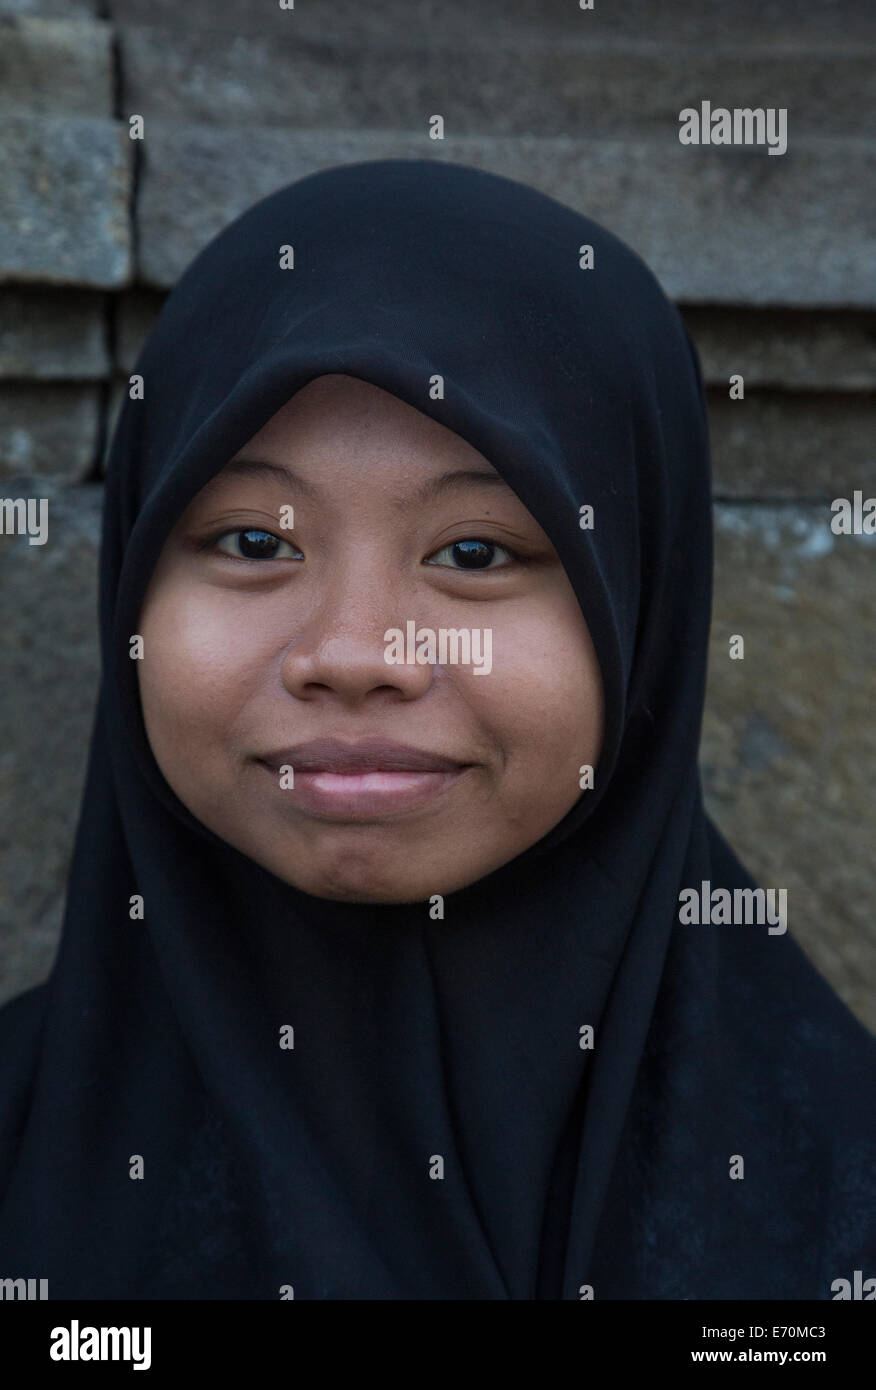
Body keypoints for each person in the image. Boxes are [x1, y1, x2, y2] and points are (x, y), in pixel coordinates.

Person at [0, 159, 873, 1299]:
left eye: (475, 553)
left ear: (641, 608)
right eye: (256, 543)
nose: (356, 654)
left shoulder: (837, 1207)